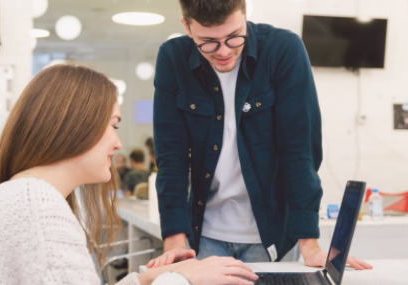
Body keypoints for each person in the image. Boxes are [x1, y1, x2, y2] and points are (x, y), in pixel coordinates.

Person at [0, 64, 258, 285]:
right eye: (113, 126)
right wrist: (185, 280)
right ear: (76, 126)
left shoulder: (22, 195)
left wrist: (153, 277)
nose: (117, 143)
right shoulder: (36, 205)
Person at [149, 0, 372, 271]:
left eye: (234, 37)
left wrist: (309, 244)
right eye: (208, 42)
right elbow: (171, 155)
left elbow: (299, 150)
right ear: (186, 27)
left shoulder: (282, 50)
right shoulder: (173, 58)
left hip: (270, 235)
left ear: (245, 14)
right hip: (204, 235)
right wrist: (174, 243)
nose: (223, 51)